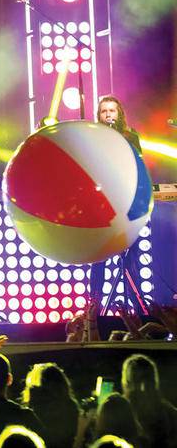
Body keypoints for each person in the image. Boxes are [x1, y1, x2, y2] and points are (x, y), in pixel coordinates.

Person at [91, 96, 145, 312]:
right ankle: (94, 305)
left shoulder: (131, 136)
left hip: (126, 203)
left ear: (119, 113)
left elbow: (137, 165)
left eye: (112, 110)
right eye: (104, 111)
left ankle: (138, 305)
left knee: (130, 256)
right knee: (99, 256)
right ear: (99, 115)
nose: (108, 114)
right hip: (102, 204)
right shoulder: (94, 136)